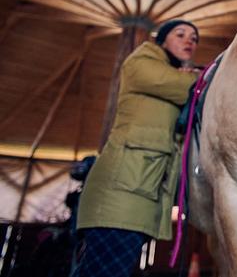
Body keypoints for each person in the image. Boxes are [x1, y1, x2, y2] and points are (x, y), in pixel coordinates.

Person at [71, 19, 200, 277]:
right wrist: (202, 76)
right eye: (181, 34)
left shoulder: (172, 72)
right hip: (119, 195)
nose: (190, 41)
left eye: (194, 38)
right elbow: (178, 85)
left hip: (136, 193)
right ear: (162, 40)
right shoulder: (140, 62)